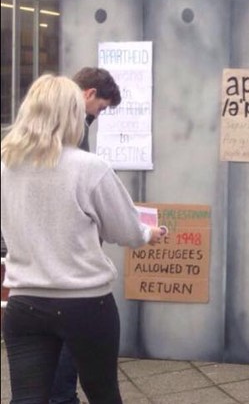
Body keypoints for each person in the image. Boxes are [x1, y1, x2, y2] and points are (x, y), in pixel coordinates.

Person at [1, 74, 164, 403]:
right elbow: (125, 230)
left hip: (24, 303)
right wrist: (149, 233)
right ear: (72, 114)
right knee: (103, 394)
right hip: (86, 303)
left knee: (27, 399)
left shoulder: (6, 166)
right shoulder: (90, 168)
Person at [48, 67, 122, 404]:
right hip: (71, 266)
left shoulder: (29, 139)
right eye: (101, 107)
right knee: (72, 347)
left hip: (37, 275)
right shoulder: (76, 130)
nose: (98, 115)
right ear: (88, 94)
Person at [73, 67, 122, 152]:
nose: (95, 116)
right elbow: (82, 164)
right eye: (100, 108)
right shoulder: (77, 126)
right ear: (90, 94)